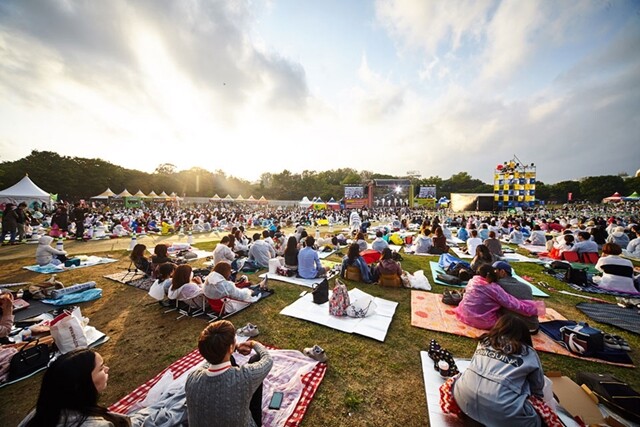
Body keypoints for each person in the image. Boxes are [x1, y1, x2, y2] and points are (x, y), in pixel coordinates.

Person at [450, 315, 550, 427]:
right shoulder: (529, 353)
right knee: (538, 420)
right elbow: (537, 389)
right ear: (524, 335)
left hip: (463, 398)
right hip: (503, 411)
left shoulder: (485, 341)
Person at [185, 320, 273, 427]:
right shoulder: (245, 377)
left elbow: (212, 357)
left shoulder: (192, 378)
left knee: (228, 359)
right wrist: (253, 343)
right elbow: (267, 359)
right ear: (230, 347)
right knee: (256, 358)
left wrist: (233, 347)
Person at [19, 348, 129, 427]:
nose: (107, 369)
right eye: (100, 368)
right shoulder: (96, 425)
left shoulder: (42, 412)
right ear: (82, 383)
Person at [455, 265, 541, 330]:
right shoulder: (494, 287)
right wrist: (532, 308)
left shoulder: (473, 281)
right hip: (483, 322)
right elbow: (511, 303)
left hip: (463, 315)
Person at [492, 261, 539, 332]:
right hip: (533, 327)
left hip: (513, 328)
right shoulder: (527, 286)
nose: (492, 273)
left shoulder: (497, 286)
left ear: (502, 272)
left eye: (494, 271)